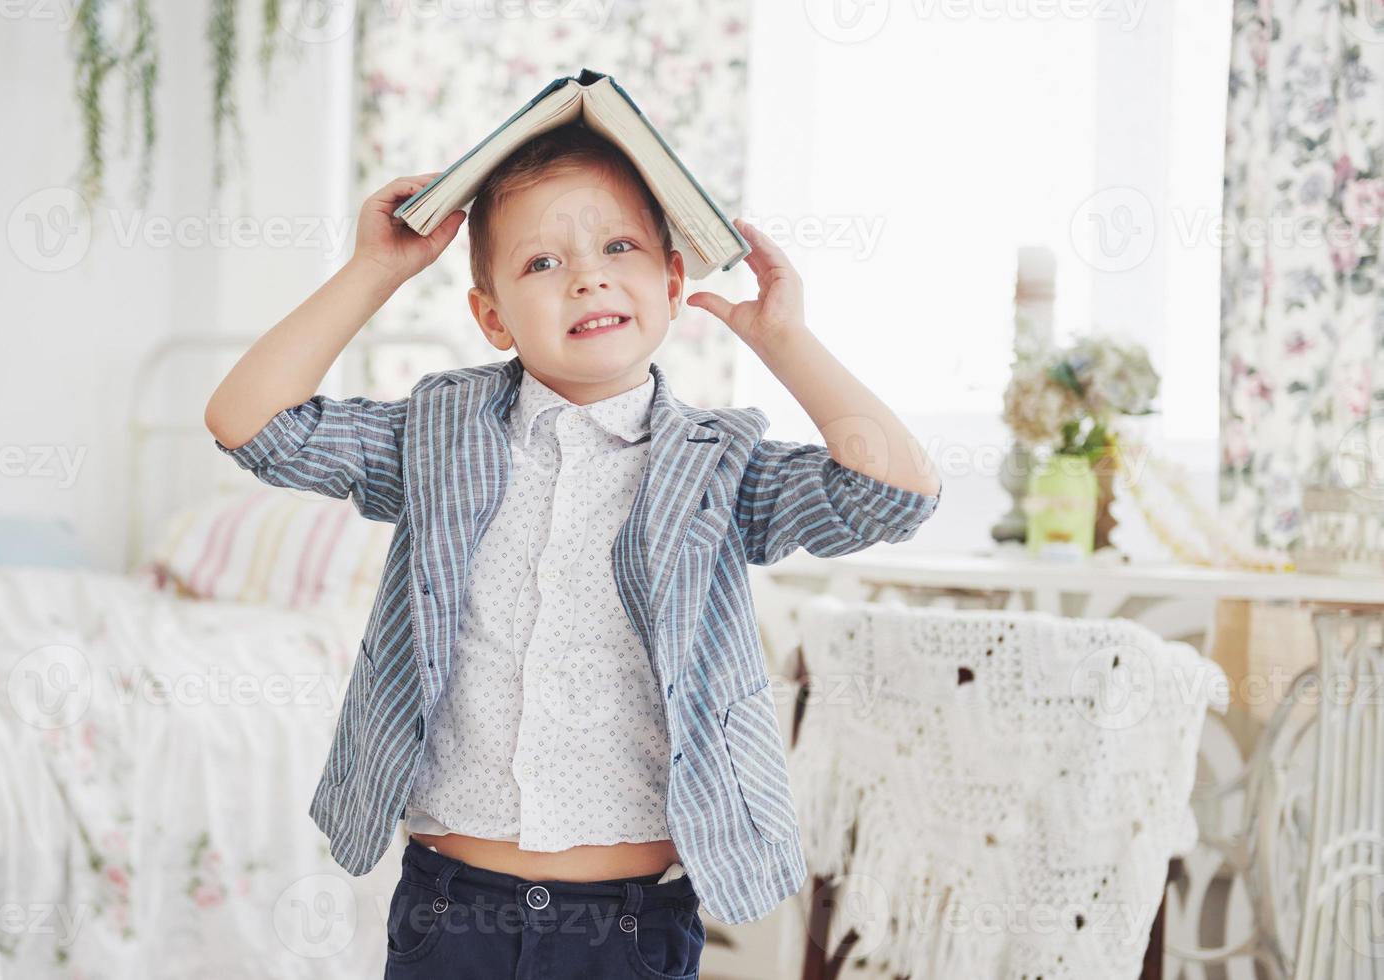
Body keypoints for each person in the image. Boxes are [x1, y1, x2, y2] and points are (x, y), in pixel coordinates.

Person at [205, 123, 942, 978]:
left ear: (672, 282)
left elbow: (893, 493)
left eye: (618, 245)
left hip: (630, 925)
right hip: (451, 907)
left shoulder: (716, 463)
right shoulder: (437, 436)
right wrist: (377, 269)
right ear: (491, 317)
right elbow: (251, 425)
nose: (587, 273)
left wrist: (784, 342)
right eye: (541, 263)